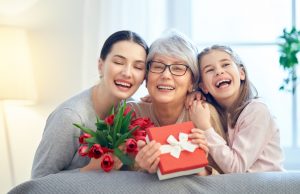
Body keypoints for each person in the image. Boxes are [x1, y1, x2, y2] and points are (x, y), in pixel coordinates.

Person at [31, 30, 149, 178]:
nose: (127, 73)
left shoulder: (132, 110)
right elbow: (37, 183)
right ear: (101, 65)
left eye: (138, 67)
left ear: (144, 77)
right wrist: (89, 170)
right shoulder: (69, 117)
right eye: (118, 62)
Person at [128, 30, 226, 175]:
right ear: (146, 77)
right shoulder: (131, 113)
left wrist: (199, 169)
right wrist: (139, 166)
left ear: (192, 82)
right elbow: (114, 175)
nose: (166, 75)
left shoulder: (204, 114)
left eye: (178, 68)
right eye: (158, 66)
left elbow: (227, 181)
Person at [189, 45, 284, 173]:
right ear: (204, 87)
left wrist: (205, 128)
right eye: (210, 70)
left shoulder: (257, 110)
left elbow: (236, 169)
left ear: (241, 73)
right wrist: (193, 95)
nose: (219, 71)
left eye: (225, 64)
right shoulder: (219, 115)